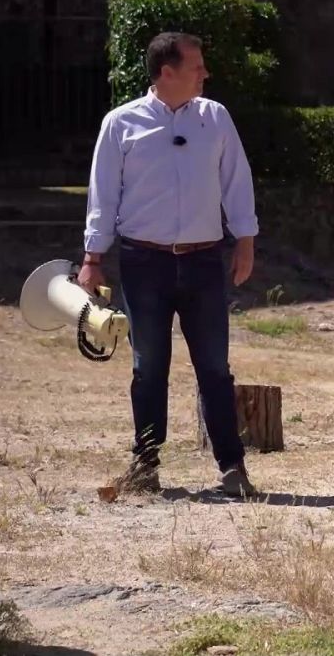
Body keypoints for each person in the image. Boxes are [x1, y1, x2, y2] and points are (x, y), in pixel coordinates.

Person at [79, 32, 260, 498]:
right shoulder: (121, 124)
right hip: (144, 263)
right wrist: (92, 257)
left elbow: (237, 180)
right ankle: (146, 464)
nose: (205, 73)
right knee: (148, 366)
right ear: (167, 72)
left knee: (215, 368)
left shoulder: (214, 118)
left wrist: (245, 239)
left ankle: (233, 467)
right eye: (197, 66)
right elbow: (104, 194)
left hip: (203, 261)